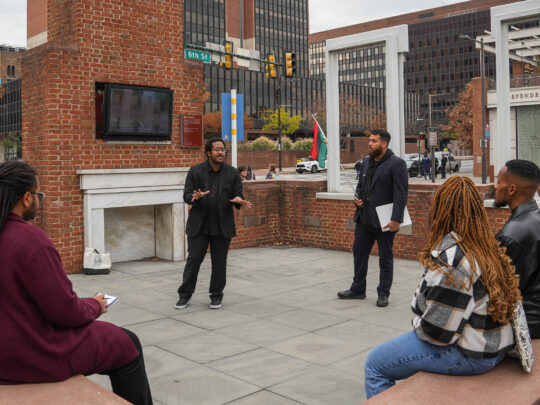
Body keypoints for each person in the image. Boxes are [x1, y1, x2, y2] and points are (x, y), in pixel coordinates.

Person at [0, 160, 152, 405]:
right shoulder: (31, 241)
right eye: (39, 194)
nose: (40, 200)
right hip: (28, 354)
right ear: (26, 198)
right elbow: (64, 312)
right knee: (126, 343)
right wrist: (94, 305)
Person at [364, 176, 521, 399]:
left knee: (375, 365)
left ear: (440, 210)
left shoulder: (452, 259)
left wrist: (417, 321)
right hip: (493, 346)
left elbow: (436, 332)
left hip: (472, 355)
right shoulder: (486, 246)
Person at [176, 138, 252, 310]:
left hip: (222, 225)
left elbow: (237, 194)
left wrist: (238, 200)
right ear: (208, 152)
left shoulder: (232, 173)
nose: (221, 152)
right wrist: (193, 197)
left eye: (223, 149)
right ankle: (184, 295)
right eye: (217, 149)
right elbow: (186, 194)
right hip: (199, 225)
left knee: (219, 262)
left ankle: (216, 296)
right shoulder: (195, 171)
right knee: (193, 260)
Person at [338, 130, 408, 307]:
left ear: (384, 143)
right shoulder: (366, 162)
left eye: (374, 141)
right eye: (369, 140)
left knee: (385, 257)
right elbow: (361, 186)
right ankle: (358, 289)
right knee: (359, 254)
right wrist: (357, 198)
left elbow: (400, 194)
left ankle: (383, 293)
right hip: (364, 219)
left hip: (385, 221)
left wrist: (396, 220)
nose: (369, 144)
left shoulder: (397, 164)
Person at [494, 159, 540, 339]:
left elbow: (501, 293)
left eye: (499, 181)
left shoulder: (510, 235)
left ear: (512, 189)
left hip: (526, 324)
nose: (495, 186)